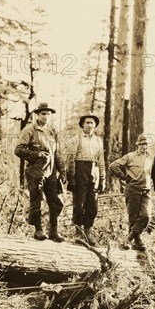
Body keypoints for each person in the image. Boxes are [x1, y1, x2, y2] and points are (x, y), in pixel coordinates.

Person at [14, 102, 66, 242]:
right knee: (37, 201)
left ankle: (54, 231)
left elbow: (57, 153)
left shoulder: (52, 131)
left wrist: (62, 171)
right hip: (36, 171)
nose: (46, 116)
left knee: (56, 202)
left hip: (51, 172)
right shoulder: (29, 130)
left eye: (48, 114)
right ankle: (38, 230)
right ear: (37, 114)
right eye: (43, 114)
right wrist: (37, 154)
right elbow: (18, 150)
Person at [109, 134, 153, 252]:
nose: (144, 147)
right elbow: (113, 165)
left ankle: (128, 238)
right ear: (138, 145)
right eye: (142, 144)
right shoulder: (130, 156)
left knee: (146, 216)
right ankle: (136, 241)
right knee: (133, 217)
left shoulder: (150, 158)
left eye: (146, 145)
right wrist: (124, 176)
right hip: (133, 189)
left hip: (146, 190)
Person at [66, 114, 105, 246]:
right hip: (80, 171)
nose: (89, 125)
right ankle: (78, 233)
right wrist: (71, 178)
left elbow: (101, 161)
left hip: (93, 172)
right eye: (87, 123)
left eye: (92, 123)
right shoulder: (76, 139)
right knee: (79, 204)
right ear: (82, 124)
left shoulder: (98, 141)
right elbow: (70, 159)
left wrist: (102, 178)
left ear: (95, 126)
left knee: (93, 206)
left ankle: (88, 232)